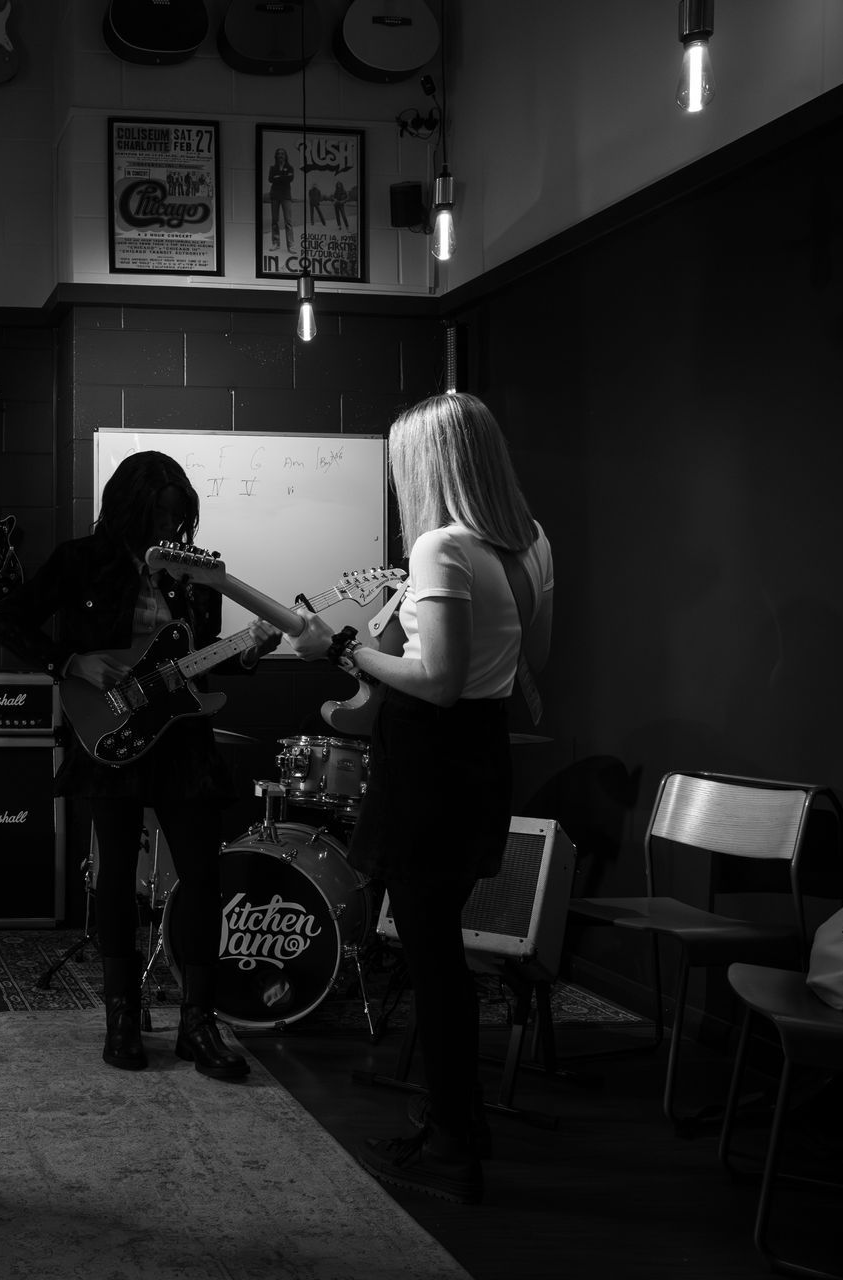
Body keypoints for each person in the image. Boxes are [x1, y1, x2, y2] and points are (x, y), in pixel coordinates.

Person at [291, 391, 553, 1205]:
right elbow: (528, 668)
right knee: (443, 956)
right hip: (481, 763)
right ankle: (463, 1126)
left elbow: (435, 685)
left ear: (427, 466)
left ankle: (449, 1145)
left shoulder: (443, 547)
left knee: (433, 960)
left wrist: (337, 648)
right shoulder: (533, 543)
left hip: (430, 765)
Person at [0, 452, 281, 1082]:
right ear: (129, 507)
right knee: (116, 876)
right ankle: (121, 1014)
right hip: (112, 733)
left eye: (178, 520)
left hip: (182, 738)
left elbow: (205, 658)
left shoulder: (193, 572)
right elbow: (8, 620)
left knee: (204, 877)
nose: (169, 532)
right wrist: (69, 661)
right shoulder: (80, 560)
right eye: (159, 517)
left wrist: (252, 650)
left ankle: (198, 1024)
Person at [267, 147, 295, 250]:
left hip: (286, 196)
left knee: (288, 221)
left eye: (282, 153)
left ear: (285, 156)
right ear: (276, 156)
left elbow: (290, 178)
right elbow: (270, 179)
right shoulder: (272, 168)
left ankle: (291, 245)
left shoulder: (290, 167)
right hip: (275, 196)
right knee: (275, 221)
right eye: (279, 154)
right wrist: (283, 177)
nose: (281, 155)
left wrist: (278, 177)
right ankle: (276, 243)